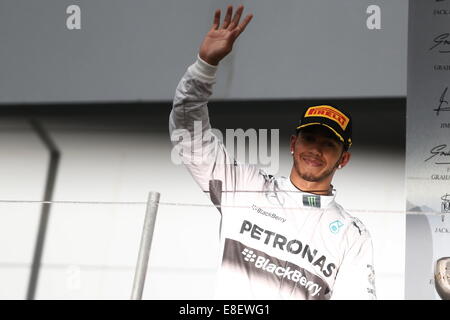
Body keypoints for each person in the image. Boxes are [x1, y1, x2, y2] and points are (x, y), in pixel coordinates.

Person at [169, 4, 376, 300]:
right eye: (309, 138)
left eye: (329, 143)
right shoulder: (247, 186)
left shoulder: (352, 235)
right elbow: (188, 136)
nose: (315, 149)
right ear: (294, 144)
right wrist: (204, 67)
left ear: (343, 159)